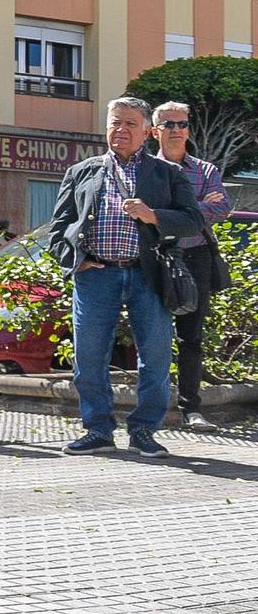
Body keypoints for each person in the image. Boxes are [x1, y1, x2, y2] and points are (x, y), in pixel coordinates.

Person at [49, 98, 205, 457]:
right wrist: (75, 259)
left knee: (154, 356)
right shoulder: (82, 172)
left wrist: (153, 216)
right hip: (96, 275)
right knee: (88, 356)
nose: (121, 131)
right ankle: (98, 430)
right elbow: (59, 229)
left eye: (131, 124)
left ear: (148, 131)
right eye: (115, 123)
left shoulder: (167, 173)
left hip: (148, 274)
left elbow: (193, 220)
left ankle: (144, 431)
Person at [152, 100, 232, 430]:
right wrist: (195, 208)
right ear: (154, 130)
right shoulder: (145, 169)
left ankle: (191, 408)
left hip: (197, 257)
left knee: (191, 338)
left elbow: (221, 208)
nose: (175, 130)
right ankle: (152, 409)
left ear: (188, 129)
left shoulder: (206, 170)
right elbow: (143, 213)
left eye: (181, 124)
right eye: (168, 124)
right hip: (156, 257)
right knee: (152, 335)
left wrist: (168, 212)